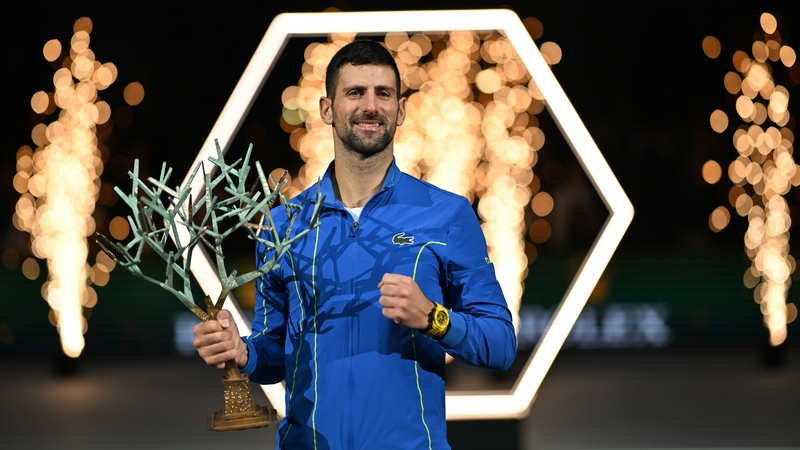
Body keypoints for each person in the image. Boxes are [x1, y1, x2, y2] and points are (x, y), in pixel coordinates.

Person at [193, 39, 516, 450]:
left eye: (383, 93)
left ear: (400, 111)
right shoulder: (283, 225)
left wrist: (435, 318)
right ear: (327, 109)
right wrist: (243, 352)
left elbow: (502, 345)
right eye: (354, 93)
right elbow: (274, 351)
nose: (370, 106)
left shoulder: (447, 215)